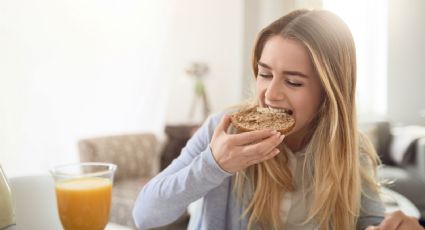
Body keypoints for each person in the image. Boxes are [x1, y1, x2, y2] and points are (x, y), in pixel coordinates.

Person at [133, 9, 424, 230]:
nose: (270, 95)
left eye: (293, 82)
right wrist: (214, 164)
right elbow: (144, 214)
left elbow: (369, 222)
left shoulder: (349, 147)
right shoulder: (226, 129)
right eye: (265, 74)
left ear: (328, 92)